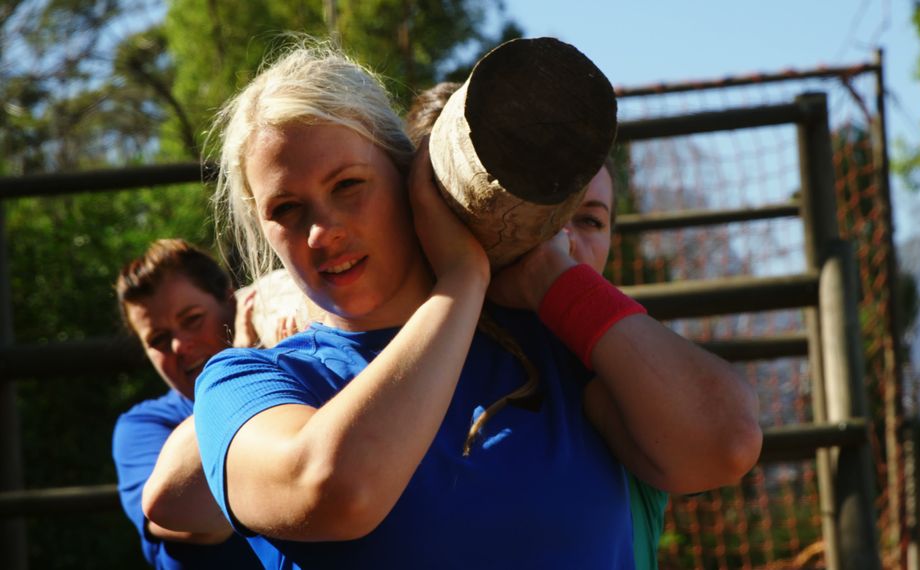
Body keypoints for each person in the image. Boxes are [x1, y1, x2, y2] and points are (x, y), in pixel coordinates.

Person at [194, 43, 761, 569]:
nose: (322, 232)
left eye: (348, 186)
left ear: (406, 177)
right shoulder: (245, 383)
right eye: (287, 210)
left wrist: (555, 278)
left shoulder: (550, 344)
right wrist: (463, 278)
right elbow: (336, 489)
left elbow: (726, 444)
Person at [407, 82, 668, 570]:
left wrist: (555, 279)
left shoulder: (618, 366)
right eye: (541, 217)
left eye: (590, 220)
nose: (563, 240)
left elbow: (731, 438)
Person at [111, 239, 262, 569]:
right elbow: (194, 523)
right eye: (158, 341)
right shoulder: (144, 427)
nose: (179, 345)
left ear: (230, 301)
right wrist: (240, 368)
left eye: (192, 319)